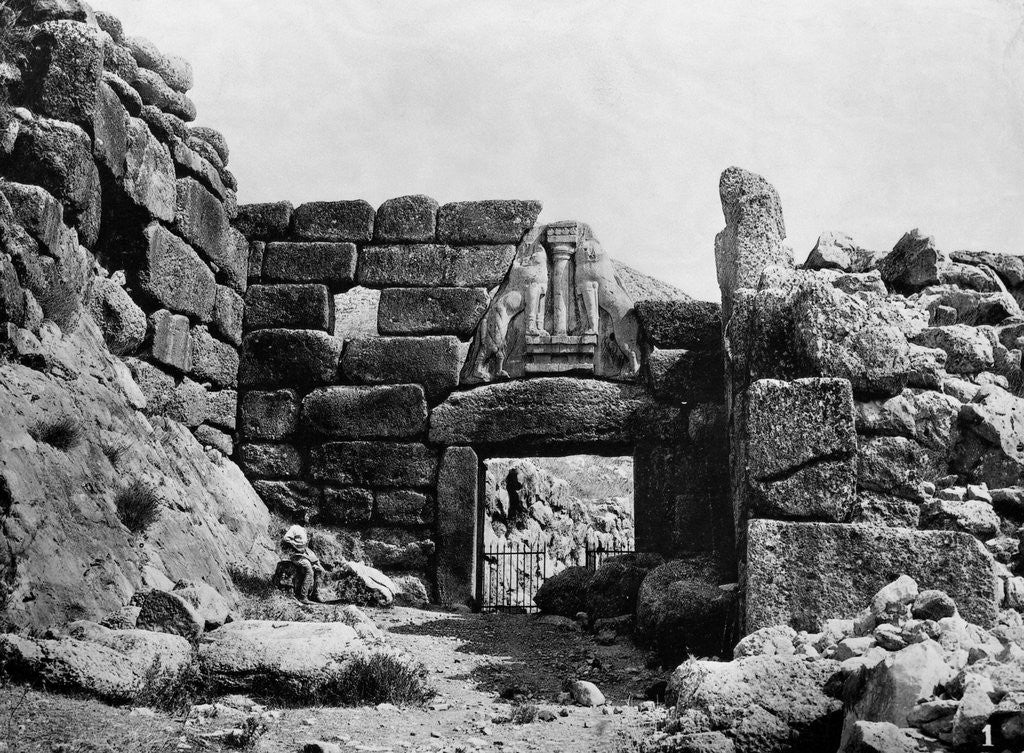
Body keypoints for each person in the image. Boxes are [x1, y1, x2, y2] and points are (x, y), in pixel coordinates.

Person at [278, 524, 327, 603]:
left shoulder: (303, 530)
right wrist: (296, 547)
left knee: (321, 570)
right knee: (309, 570)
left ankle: (315, 594)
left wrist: (313, 558)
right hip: (296, 555)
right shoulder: (294, 528)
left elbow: (305, 547)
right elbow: (286, 539)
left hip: (305, 554)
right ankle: (303, 596)